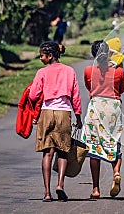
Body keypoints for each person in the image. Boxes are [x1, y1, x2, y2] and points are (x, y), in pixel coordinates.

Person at [29, 41, 82, 202]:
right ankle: (60, 185)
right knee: (63, 151)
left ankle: (47, 193)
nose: (40, 59)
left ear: (50, 55)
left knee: (47, 152)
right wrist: (78, 116)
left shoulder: (42, 72)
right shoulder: (69, 71)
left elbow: (33, 95)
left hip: (46, 113)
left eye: (42, 56)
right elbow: (76, 96)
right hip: (64, 113)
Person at [83, 40, 124, 199]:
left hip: (96, 108)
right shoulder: (119, 72)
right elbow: (122, 89)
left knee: (94, 149)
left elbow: (89, 87)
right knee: (113, 143)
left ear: (93, 54)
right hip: (113, 109)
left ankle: (96, 189)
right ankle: (116, 172)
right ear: (108, 53)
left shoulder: (89, 71)